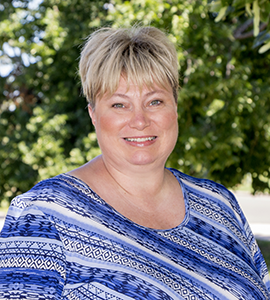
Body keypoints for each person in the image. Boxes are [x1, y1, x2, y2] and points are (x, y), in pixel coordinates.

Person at [0, 26, 269, 300]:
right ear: (93, 114)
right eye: (119, 104)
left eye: (154, 101)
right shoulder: (42, 217)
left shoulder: (220, 206)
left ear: (175, 107)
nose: (140, 121)